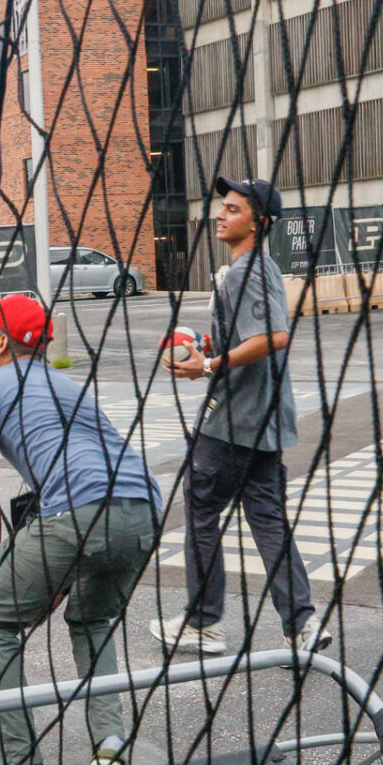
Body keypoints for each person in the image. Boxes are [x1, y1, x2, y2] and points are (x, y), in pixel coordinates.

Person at [0, 293, 162, 765]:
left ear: (2, 343)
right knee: (92, 618)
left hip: (78, 512)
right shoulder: (69, 385)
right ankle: (110, 743)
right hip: (144, 509)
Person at [151, 176, 332, 656]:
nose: (220, 214)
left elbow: (274, 336)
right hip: (264, 420)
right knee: (267, 517)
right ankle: (303, 625)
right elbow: (251, 335)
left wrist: (208, 366)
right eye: (222, 207)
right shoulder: (258, 269)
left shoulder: (245, 272)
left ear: (260, 222)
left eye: (233, 209)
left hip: (232, 419)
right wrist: (205, 346)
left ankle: (202, 623)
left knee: (202, 509)